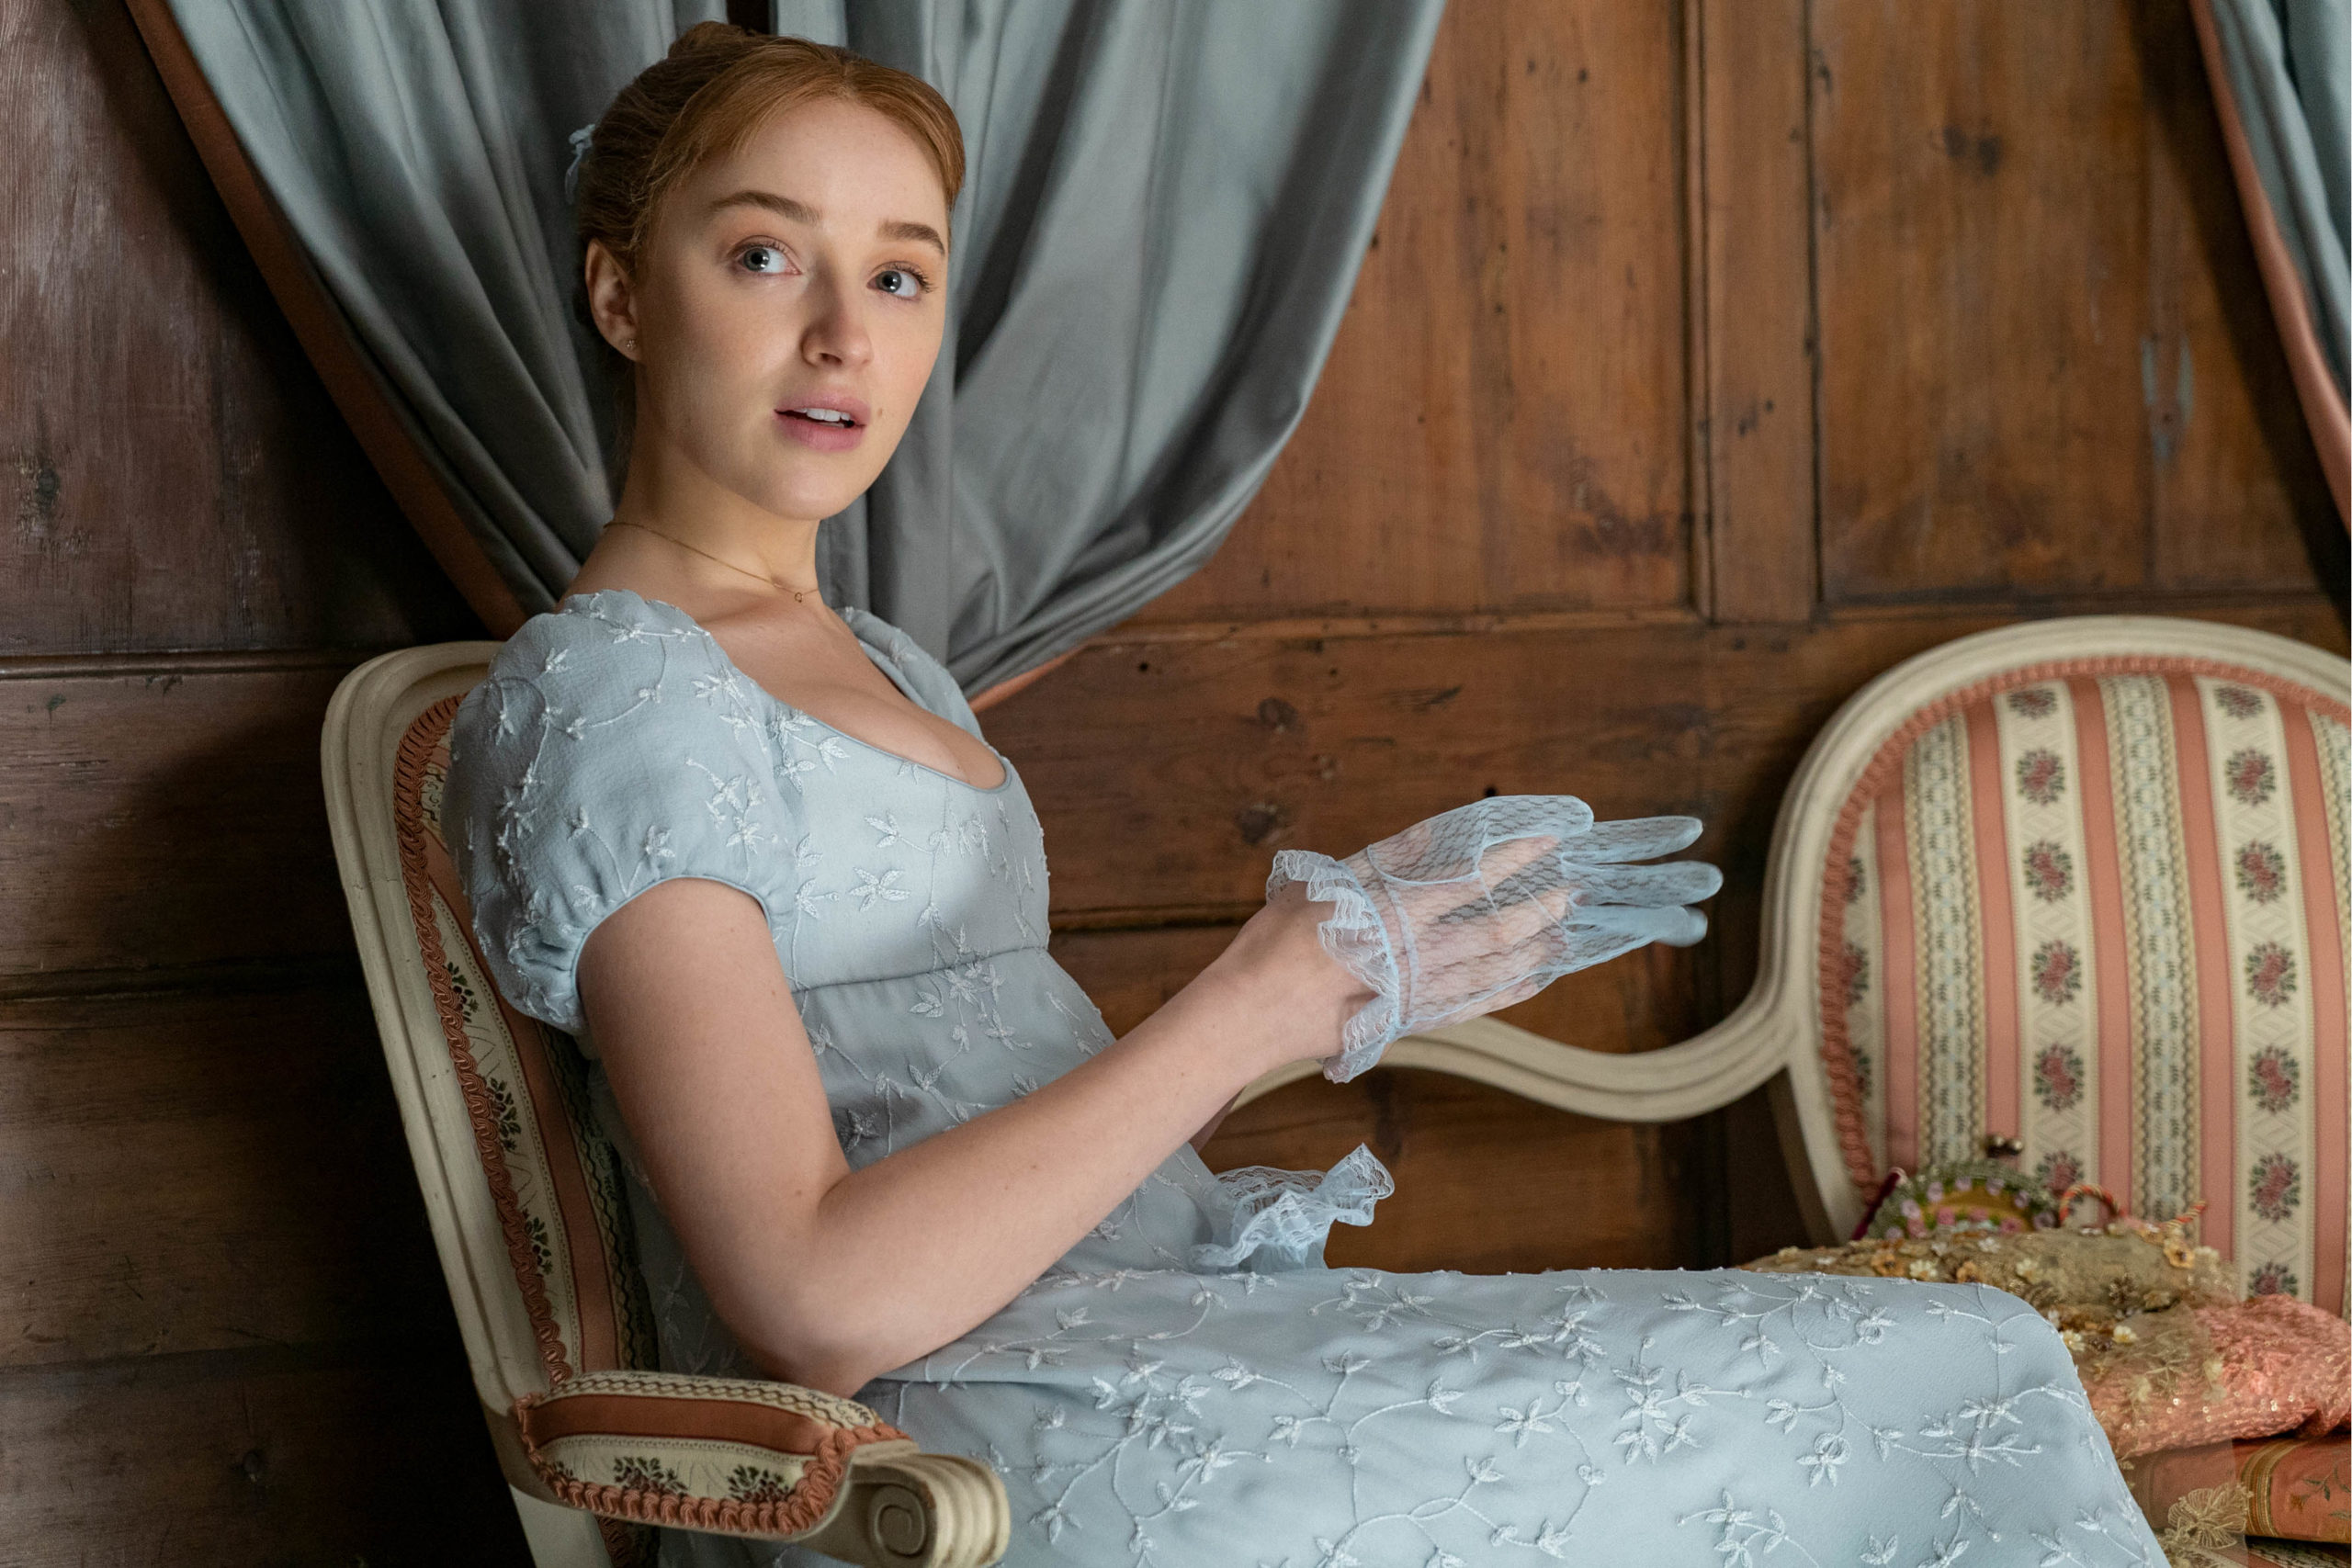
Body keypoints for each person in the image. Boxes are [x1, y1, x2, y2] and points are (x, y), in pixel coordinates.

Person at [446, 25, 2164, 1567]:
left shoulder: (891, 663)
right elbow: (814, 1302)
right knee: (1929, 1377)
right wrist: (1263, 1001)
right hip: (939, 1444)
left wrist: (1380, 958)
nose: (841, 335)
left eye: (900, 276)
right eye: (763, 255)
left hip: (1146, 1325)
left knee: (1961, 1349)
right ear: (619, 295)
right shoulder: (620, 684)